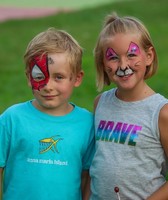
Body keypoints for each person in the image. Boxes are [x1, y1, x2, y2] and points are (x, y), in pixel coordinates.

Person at [0, 28, 95, 200]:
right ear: (29, 77)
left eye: (59, 77)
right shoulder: (11, 119)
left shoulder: (87, 124)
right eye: (39, 76)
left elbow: (86, 178)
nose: (48, 86)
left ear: (77, 78)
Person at [89, 12, 168, 200]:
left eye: (132, 54)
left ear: (149, 56)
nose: (123, 65)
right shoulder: (100, 103)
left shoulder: (161, 113)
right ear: (103, 63)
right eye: (113, 57)